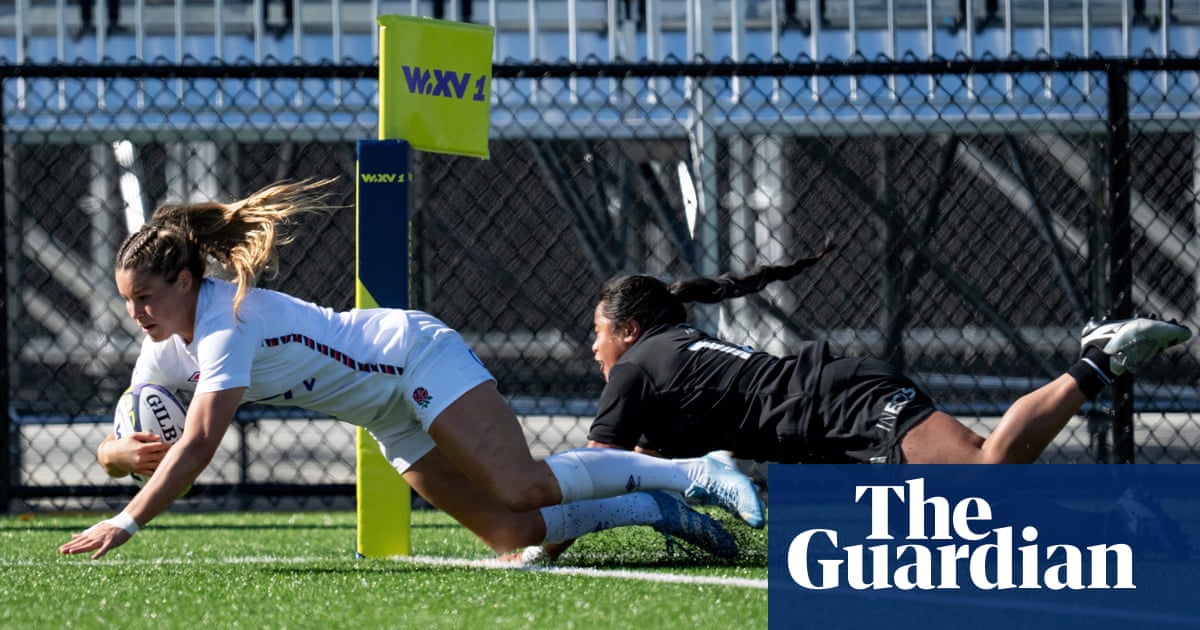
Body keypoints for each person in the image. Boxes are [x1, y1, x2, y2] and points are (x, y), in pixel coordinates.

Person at [59, 178, 765, 561]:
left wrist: (128, 521)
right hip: (384, 412)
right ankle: (651, 508)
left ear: (186, 278)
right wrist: (118, 453)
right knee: (512, 535)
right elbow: (122, 430)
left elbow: (199, 444)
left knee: (523, 487)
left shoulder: (225, 322)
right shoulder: (164, 345)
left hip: (411, 357)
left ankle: (698, 471)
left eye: (145, 298)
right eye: (128, 302)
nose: (136, 315)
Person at [512, 240, 1192, 563]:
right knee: (957, 534)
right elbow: (653, 469)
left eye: (597, 332)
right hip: (834, 415)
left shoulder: (634, 369)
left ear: (626, 331)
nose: (592, 347)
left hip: (843, 407)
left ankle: (1097, 359)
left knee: (985, 472)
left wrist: (535, 548)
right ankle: (1124, 524)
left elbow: (595, 475)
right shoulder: (671, 351)